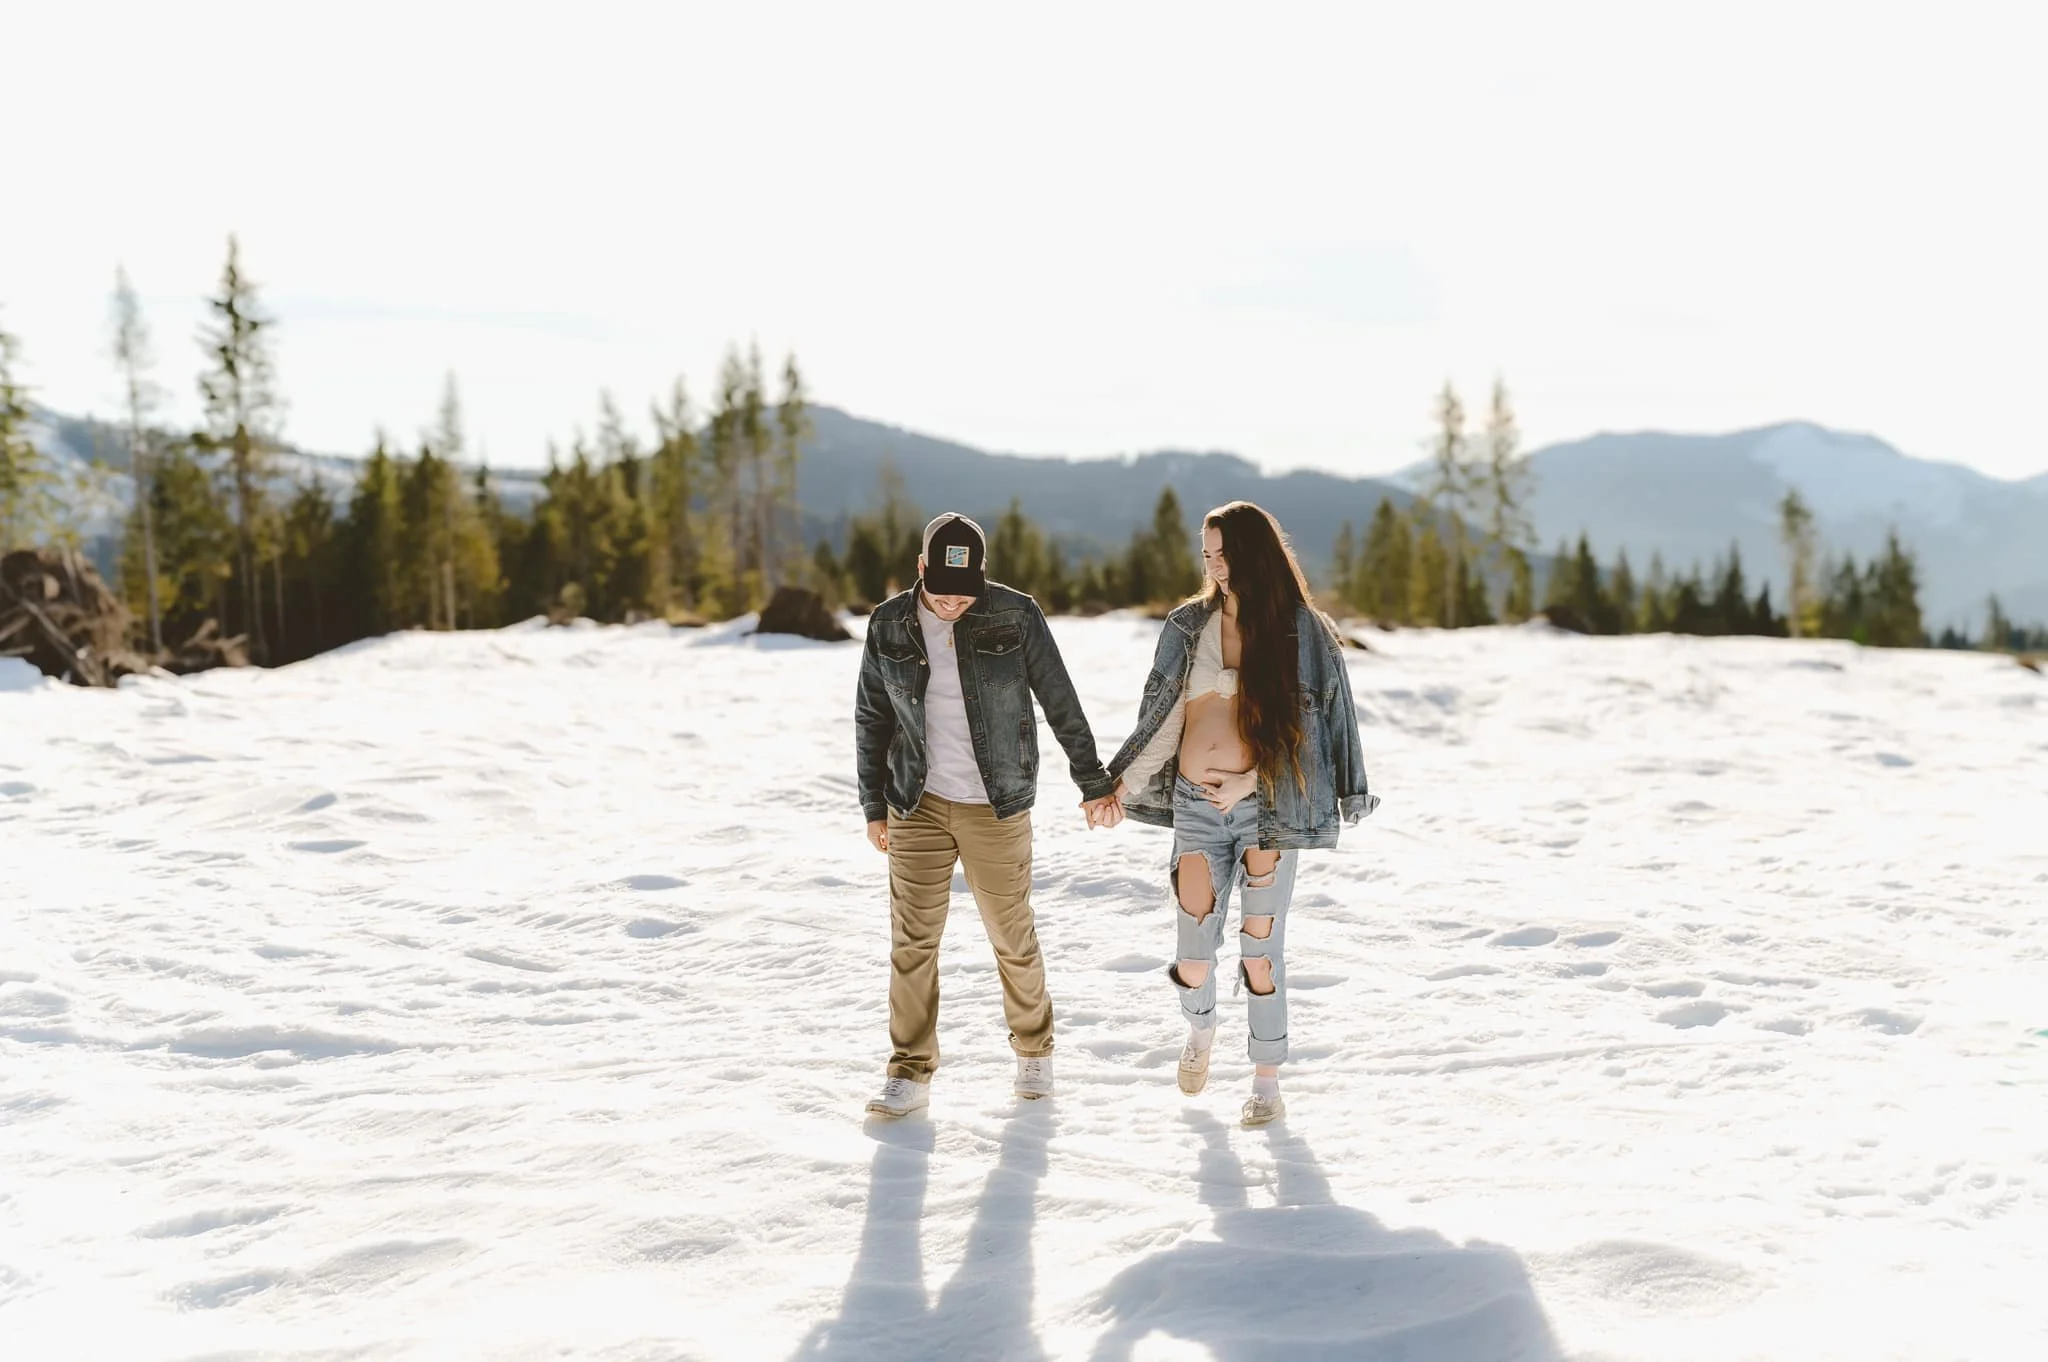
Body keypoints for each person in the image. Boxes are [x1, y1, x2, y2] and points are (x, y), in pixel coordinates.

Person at [1107, 500, 1377, 1126]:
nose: (1215, 566)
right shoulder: (1185, 627)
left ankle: (1266, 1084)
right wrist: (1123, 786)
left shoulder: (1302, 630)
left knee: (1261, 952)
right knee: (1195, 954)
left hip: (1268, 810)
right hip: (1195, 807)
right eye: (1207, 554)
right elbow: (1163, 719)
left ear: (1254, 553)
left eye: (1224, 553)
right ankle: (1200, 1033)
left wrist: (1254, 781)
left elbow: (1321, 726)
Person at [853, 512, 1124, 1119]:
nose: (953, 605)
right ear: (921, 569)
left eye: (965, 592)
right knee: (913, 941)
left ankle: (1033, 1050)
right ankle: (909, 1070)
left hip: (995, 804)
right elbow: (872, 717)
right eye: (943, 593)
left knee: (1011, 934)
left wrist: (1091, 782)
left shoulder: (1015, 614)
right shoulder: (889, 622)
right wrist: (875, 805)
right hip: (915, 803)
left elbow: (1060, 700)